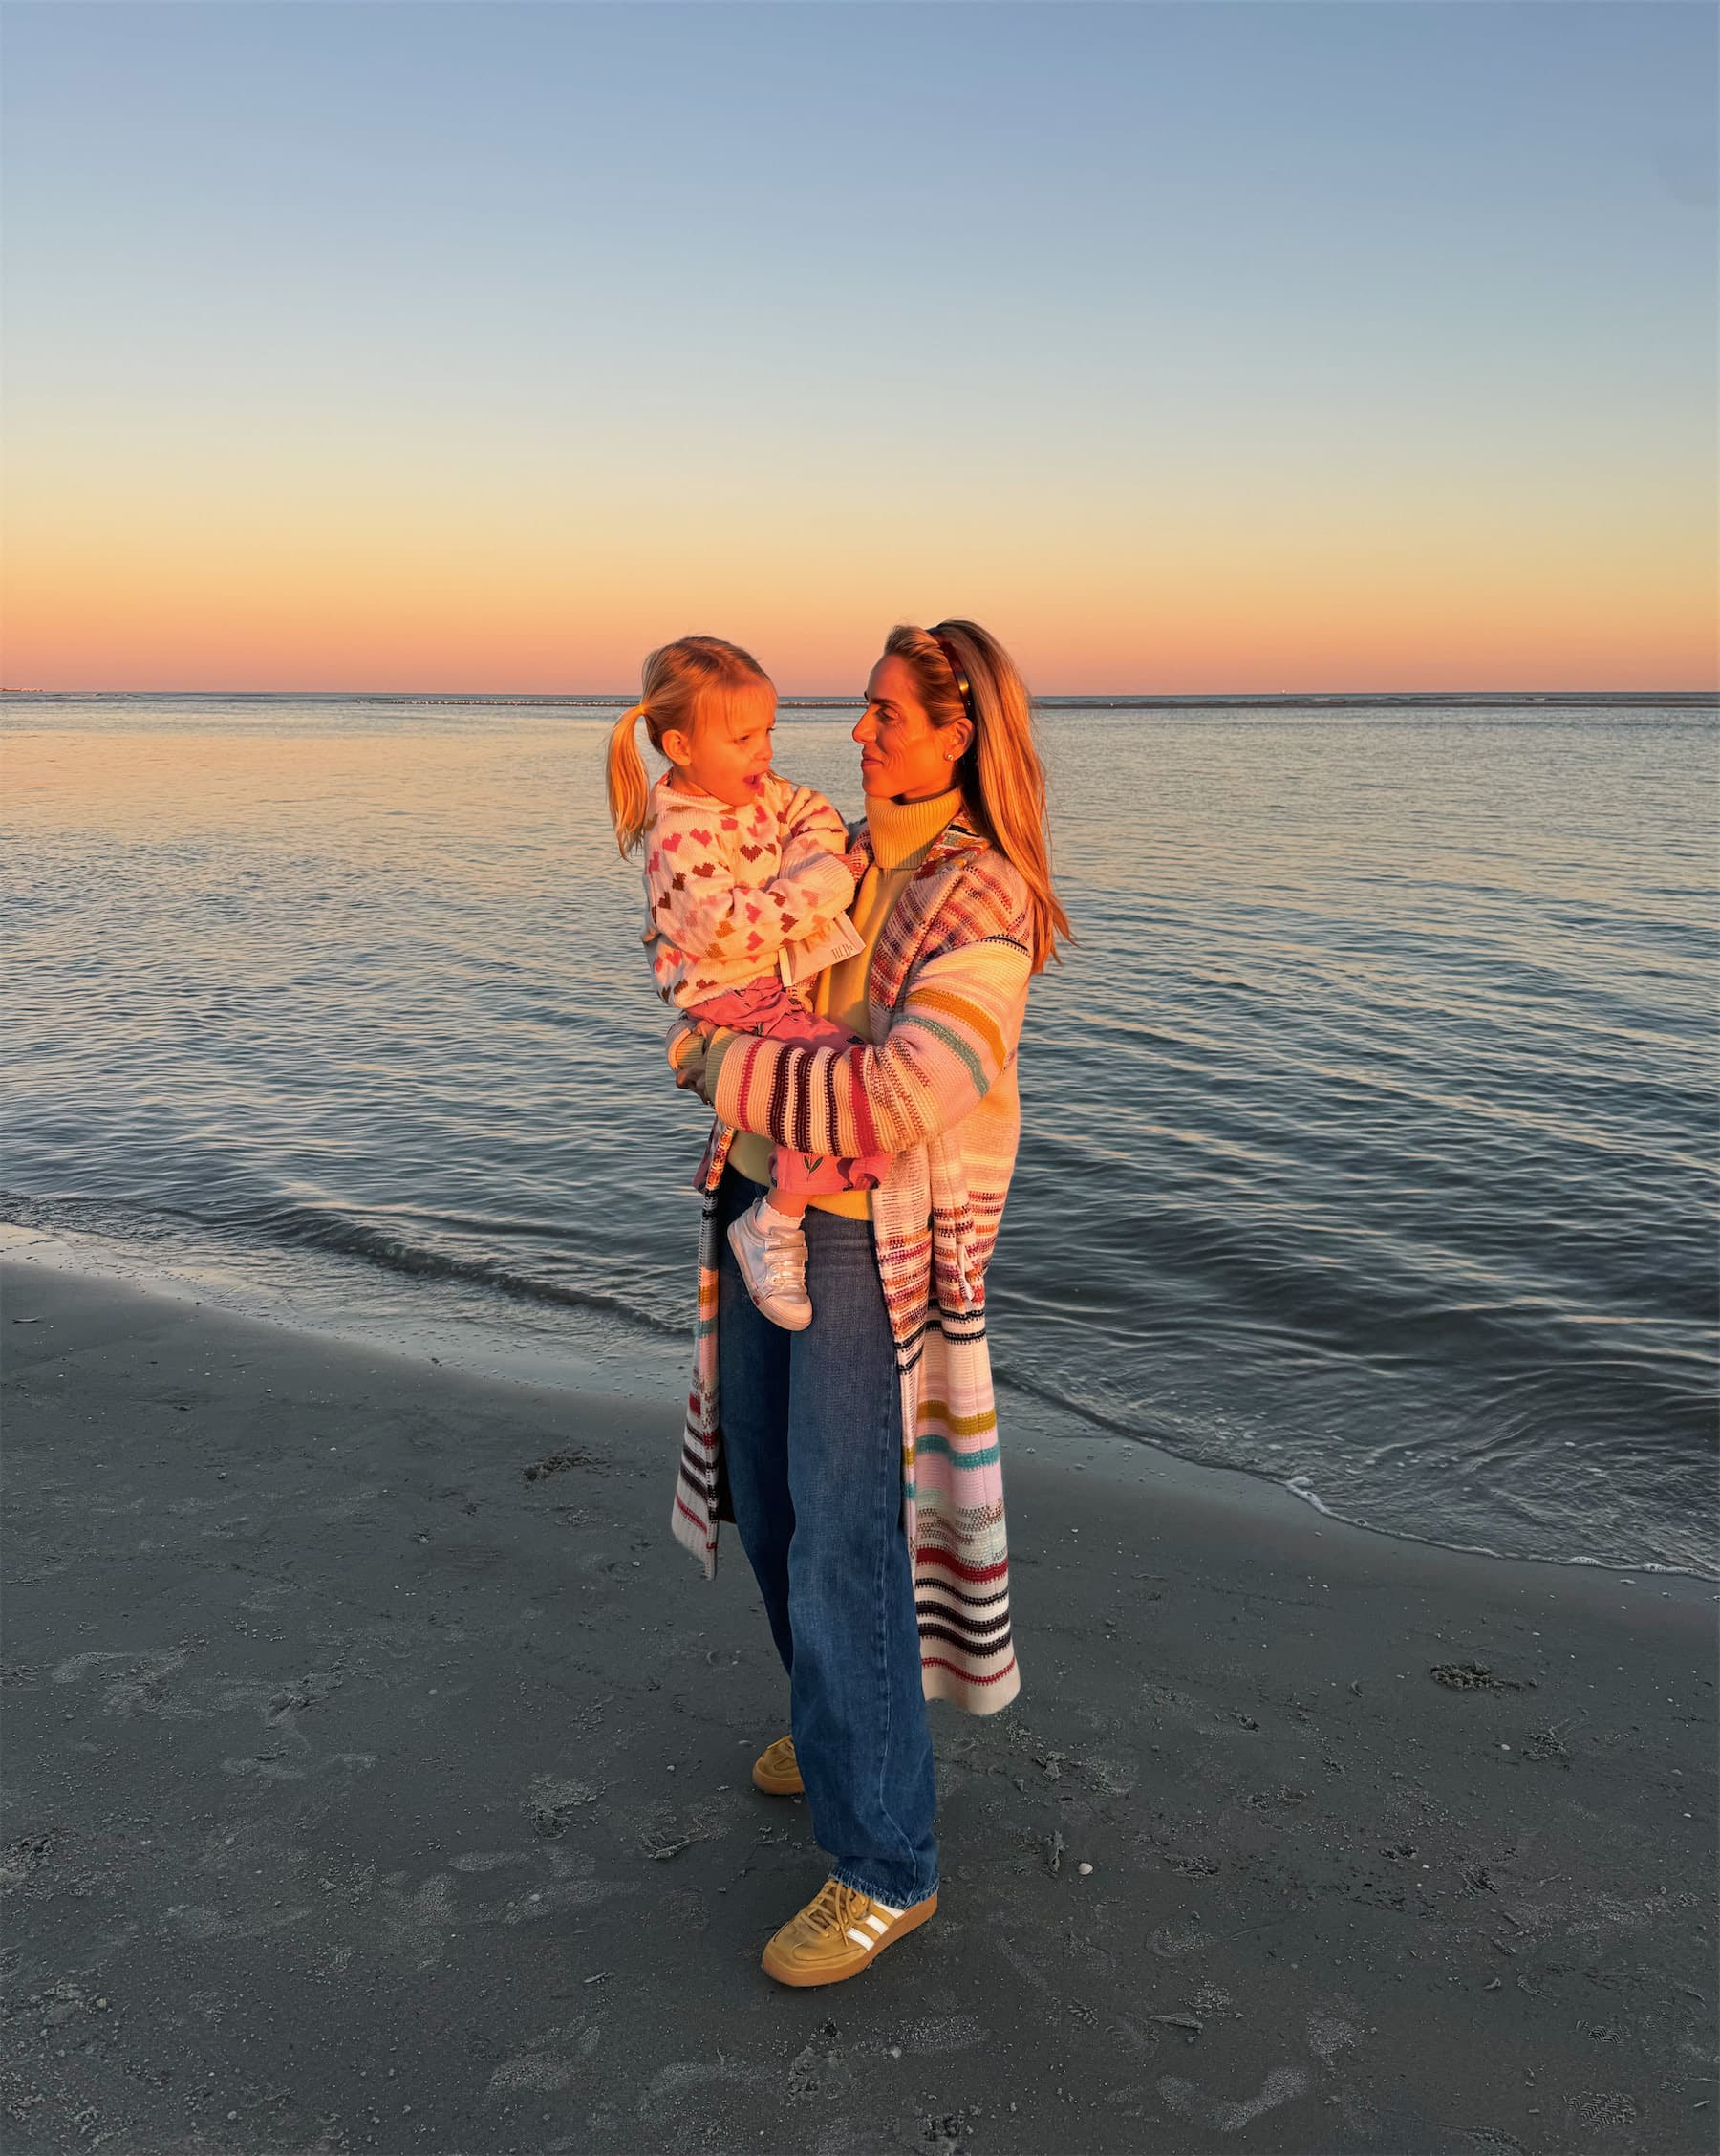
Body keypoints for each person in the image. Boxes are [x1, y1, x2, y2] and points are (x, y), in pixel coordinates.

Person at [668, 618, 1069, 1988]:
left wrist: (715, 1066)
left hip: (858, 1242)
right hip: (760, 1208)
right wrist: (723, 1043)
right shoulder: (825, 842)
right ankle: (840, 1721)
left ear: (960, 735)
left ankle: (887, 1864)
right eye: (861, 709)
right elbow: (705, 948)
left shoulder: (984, 900)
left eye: (887, 713)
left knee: (846, 1538)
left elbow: (904, 1096)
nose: (858, 733)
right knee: (769, 1507)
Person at [605, 635, 886, 1328]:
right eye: (742, 737)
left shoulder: (757, 791)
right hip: (728, 994)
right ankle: (774, 1222)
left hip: (764, 987)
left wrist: (814, 864)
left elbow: (814, 810)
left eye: (767, 732)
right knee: (843, 1085)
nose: (763, 752)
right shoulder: (680, 836)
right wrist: (824, 890)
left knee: (848, 1086)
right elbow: (728, 931)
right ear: (681, 746)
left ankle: (792, 1202)